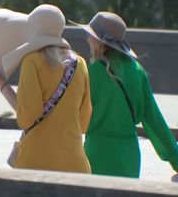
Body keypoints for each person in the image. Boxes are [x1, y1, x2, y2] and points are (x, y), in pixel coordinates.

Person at [69, 12, 178, 178]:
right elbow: (154, 120)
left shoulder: (92, 73)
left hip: (98, 153)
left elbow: (73, 118)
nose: (87, 40)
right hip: (129, 156)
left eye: (90, 36)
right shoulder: (137, 71)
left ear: (99, 41)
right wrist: (175, 159)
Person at [0, 4, 92, 173]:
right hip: (75, 163)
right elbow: (84, 122)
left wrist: (1, 84)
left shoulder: (32, 60)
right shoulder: (80, 63)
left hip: (36, 161)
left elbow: (27, 117)